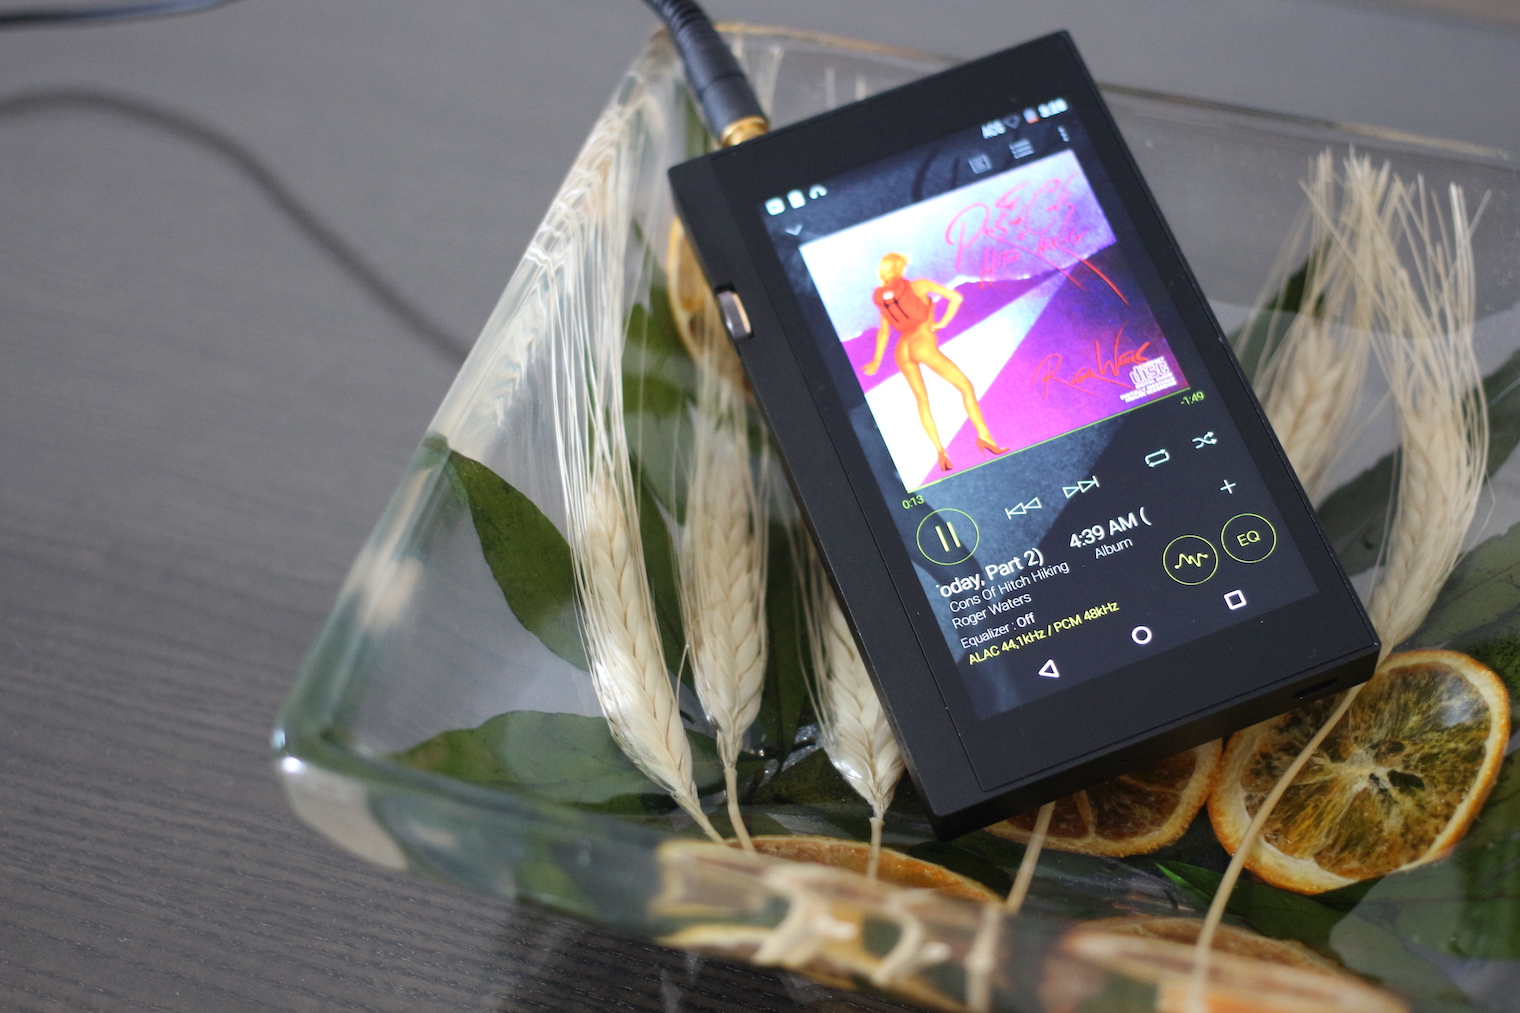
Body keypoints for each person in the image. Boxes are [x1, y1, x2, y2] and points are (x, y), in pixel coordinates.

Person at [864, 252, 1006, 472]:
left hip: (902, 350)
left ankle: (940, 451)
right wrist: (942, 323)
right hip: (923, 342)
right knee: (965, 387)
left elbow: (884, 332)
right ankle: (985, 437)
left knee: (922, 401)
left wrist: (875, 362)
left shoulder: (883, 297)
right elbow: (956, 298)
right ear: (901, 268)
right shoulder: (919, 285)